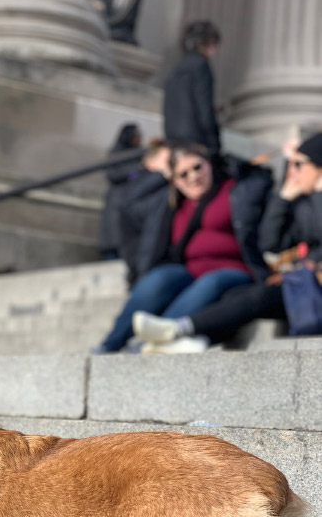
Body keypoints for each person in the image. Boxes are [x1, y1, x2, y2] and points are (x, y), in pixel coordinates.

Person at [132, 134, 322, 352]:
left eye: (299, 164)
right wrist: (284, 198)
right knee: (237, 297)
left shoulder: (315, 201)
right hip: (305, 283)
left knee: (254, 294)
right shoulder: (304, 204)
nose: (293, 171)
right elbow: (271, 242)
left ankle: (177, 329)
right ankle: (197, 340)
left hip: (314, 283)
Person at [94, 142, 272, 353]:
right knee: (159, 279)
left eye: (198, 167)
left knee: (210, 282)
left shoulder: (237, 191)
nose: (193, 177)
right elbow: (129, 203)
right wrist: (158, 173)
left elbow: (261, 181)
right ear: (174, 180)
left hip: (235, 271)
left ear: (209, 165)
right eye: (183, 174)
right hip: (189, 270)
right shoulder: (170, 205)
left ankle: (149, 342)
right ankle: (110, 345)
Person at [116, 139, 171, 286]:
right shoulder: (144, 183)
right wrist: (164, 175)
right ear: (150, 162)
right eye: (169, 160)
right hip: (142, 264)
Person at [163, 21, 221, 156]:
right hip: (196, 141)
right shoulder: (201, 66)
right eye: (213, 44)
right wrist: (214, 143)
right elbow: (204, 108)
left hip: (174, 140)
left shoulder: (177, 69)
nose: (215, 50)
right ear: (204, 43)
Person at [100, 123, 143, 255]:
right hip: (117, 204)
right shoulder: (117, 153)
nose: (139, 139)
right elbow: (112, 174)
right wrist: (135, 173)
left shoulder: (140, 154)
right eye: (137, 136)